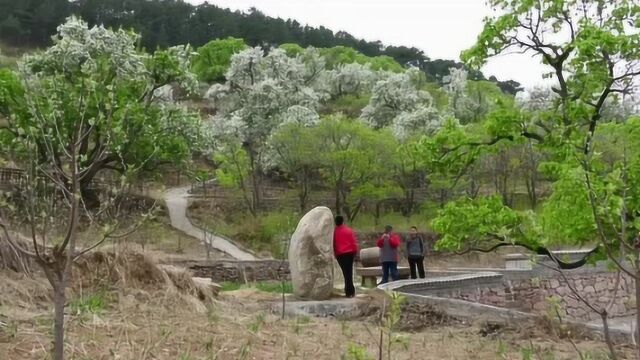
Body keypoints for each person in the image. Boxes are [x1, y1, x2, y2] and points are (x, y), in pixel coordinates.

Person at [333, 215, 359, 298]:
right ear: (343, 221)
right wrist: (355, 251)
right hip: (349, 253)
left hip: (340, 254)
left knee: (345, 273)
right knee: (349, 272)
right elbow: (353, 242)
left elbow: (333, 244)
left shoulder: (334, 232)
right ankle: (350, 291)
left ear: (335, 222)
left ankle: (348, 290)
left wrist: (334, 253)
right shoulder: (348, 230)